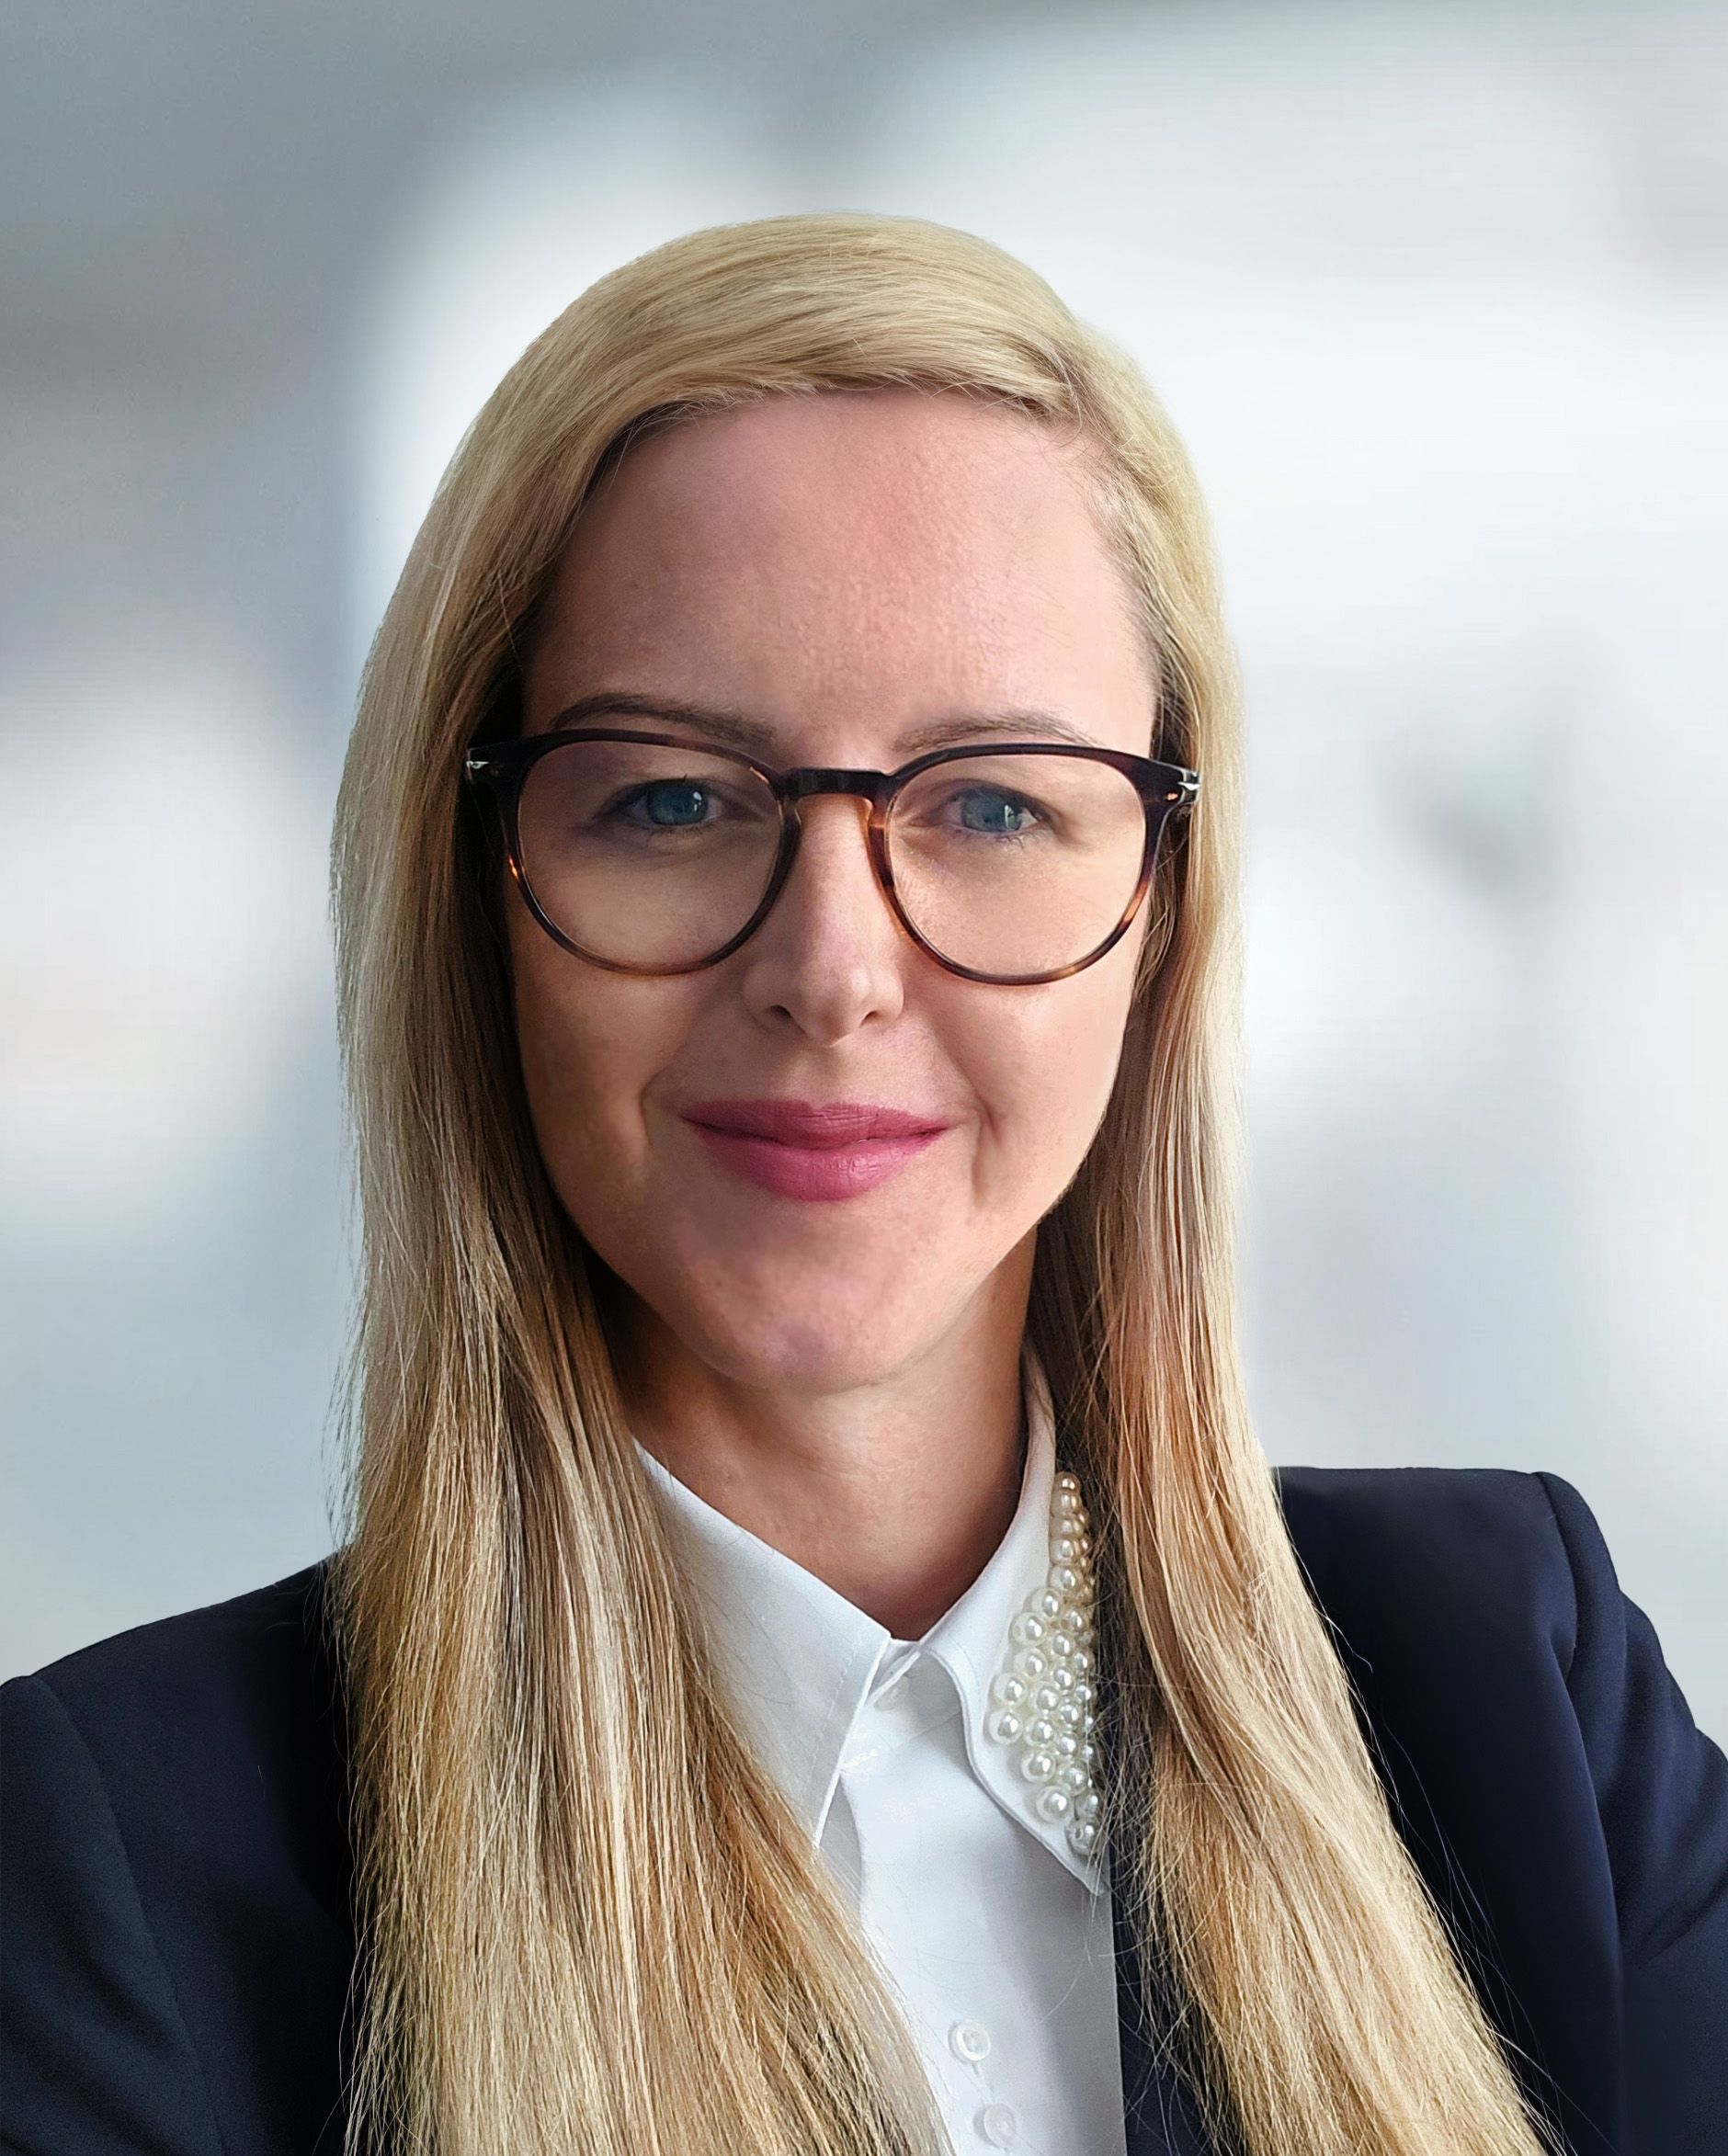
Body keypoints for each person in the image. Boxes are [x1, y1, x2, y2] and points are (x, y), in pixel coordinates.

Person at [3, 210, 1723, 2156]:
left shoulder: (1519, 1691)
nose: (832, 967)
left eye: (991, 803)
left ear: (1158, 908)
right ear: (473, 896)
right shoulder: (112, 1863)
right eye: (667, 799)